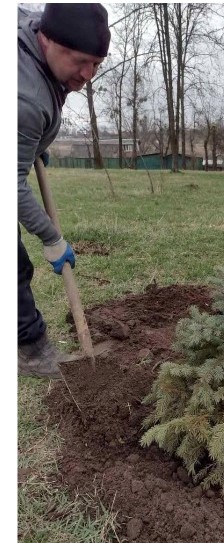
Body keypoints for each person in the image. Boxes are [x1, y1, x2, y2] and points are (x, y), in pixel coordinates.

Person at [18, 4, 110, 378]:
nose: (88, 75)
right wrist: (50, 236)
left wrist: (33, 145)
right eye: (81, 62)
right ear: (48, 40)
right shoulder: (24, 101)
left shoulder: (31, 26)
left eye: (97, 64)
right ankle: (29, 347)